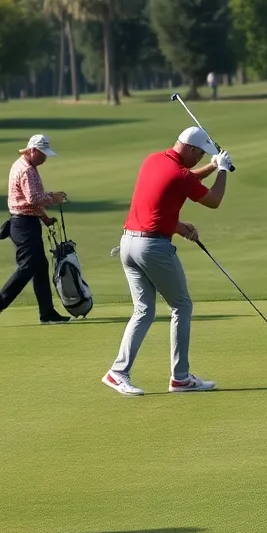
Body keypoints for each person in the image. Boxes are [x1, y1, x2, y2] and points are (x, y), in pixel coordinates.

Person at [102, 127, 232, 397]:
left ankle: (118, 372)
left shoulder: (154, 160)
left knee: (143, 311)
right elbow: (213, 200)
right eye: (200, 154)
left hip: (128, 243)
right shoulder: (180, 174)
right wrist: (221, 170)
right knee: (181, 306)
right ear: (191, 149)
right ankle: (180, 377)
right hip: (152, 248)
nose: (200, 158)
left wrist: (211, 166)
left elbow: (175, 187)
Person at [0, 134, 71, 326]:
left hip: (25, 222)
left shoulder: (25, 165)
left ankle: (47, 313)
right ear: (32, 151)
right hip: (23, 224)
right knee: (28, 266)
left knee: (40, 266)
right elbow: (33, 198)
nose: (45, 158)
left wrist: (45, 219)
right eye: (42, 153)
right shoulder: (27, 170)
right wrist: (53, 197)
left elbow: (30, 201)